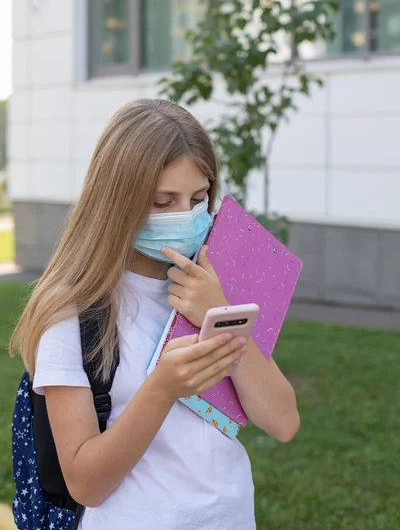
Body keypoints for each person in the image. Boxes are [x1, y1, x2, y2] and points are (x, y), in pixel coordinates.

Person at [9, 99, 300, 530]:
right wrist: (162, 388)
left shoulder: (212, 283)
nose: (184, 215)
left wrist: (218, 314)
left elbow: (284, 422)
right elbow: (85, 484)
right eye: (163, 203)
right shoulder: (72, 313)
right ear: (117, 202)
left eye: (198, 198)